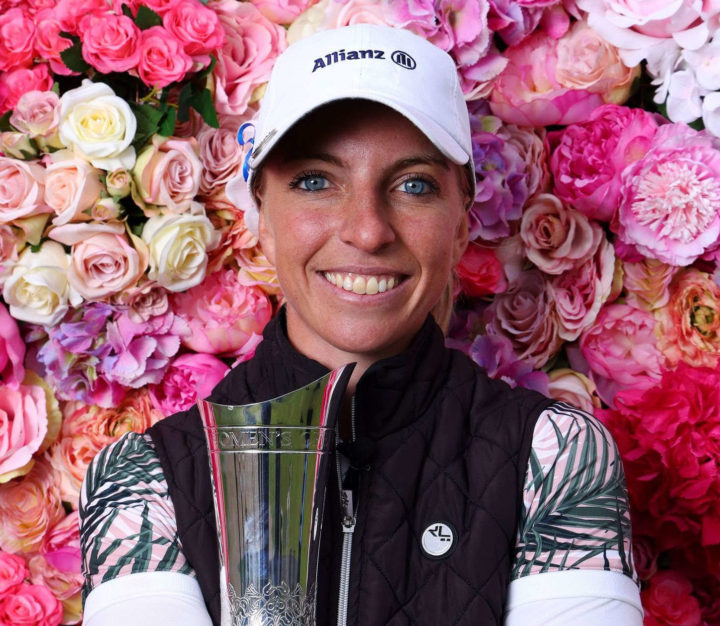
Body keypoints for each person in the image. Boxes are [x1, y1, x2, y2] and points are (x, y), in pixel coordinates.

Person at [79, 24, 644, 626]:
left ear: (460, 226)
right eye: (315, 181)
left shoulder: (554, 457)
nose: (368, 230)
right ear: (262, 217)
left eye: (413, 185)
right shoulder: (146, 479)